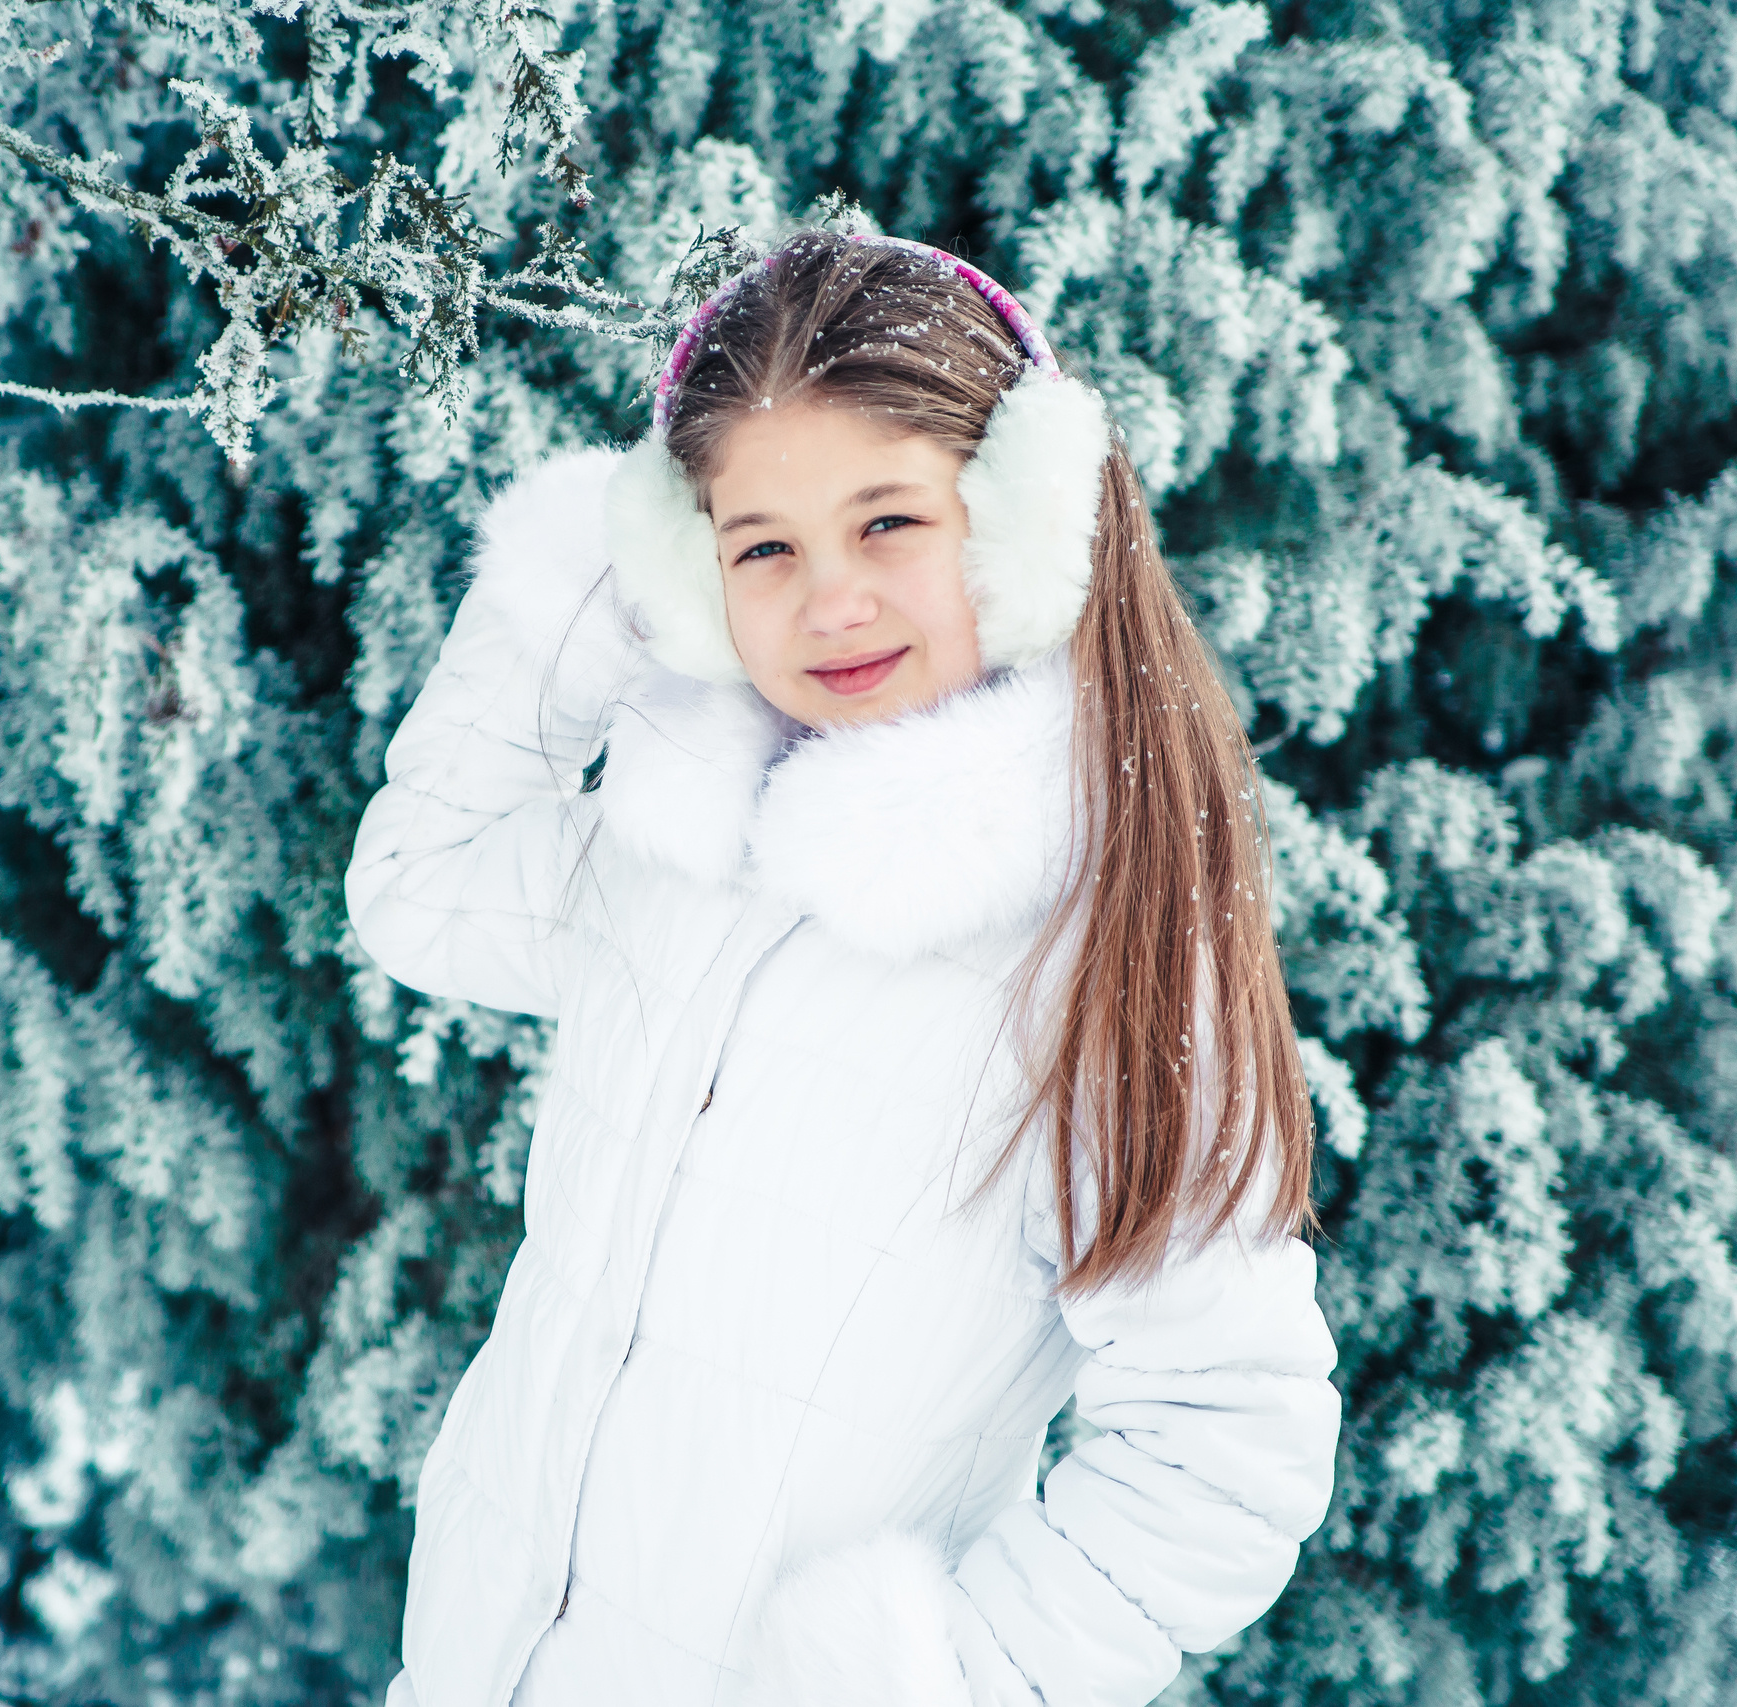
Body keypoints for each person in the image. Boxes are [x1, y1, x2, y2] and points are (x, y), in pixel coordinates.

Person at [344, 229, 1341, 1707]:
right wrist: (605, 585)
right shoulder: (676, 852)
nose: (832, 601)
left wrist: (935, 1681)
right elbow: (421, 885)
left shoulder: (1088, 954)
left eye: (889, 523)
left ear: (1021, 522)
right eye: (760, 548)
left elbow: (1224, 1438)